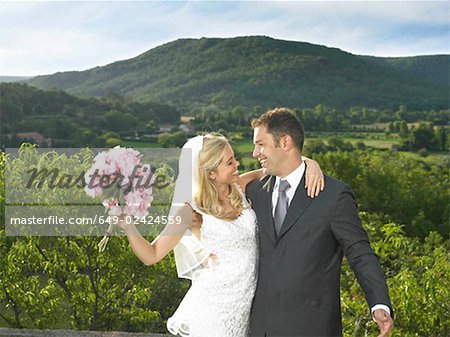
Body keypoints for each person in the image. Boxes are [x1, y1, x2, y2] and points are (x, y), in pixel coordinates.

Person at [117, 133, 325, 337]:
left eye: (234, 158)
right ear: (210, 173)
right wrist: (129, 227)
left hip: (245, 308)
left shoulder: (240, 188)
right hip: (214, 309)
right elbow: (152, 255)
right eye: (229, 162)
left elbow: (280, 165)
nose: (237, 165)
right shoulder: (191, 212)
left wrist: (311, 164)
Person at [246, 107, 394, 337]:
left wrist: (379, 303)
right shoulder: (256, 191)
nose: (255, 153)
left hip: (312, 327)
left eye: (261, 144)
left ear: (285, 141)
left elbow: (360, 252)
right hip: (260, 328)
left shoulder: (333, 195)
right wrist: (308, 161)